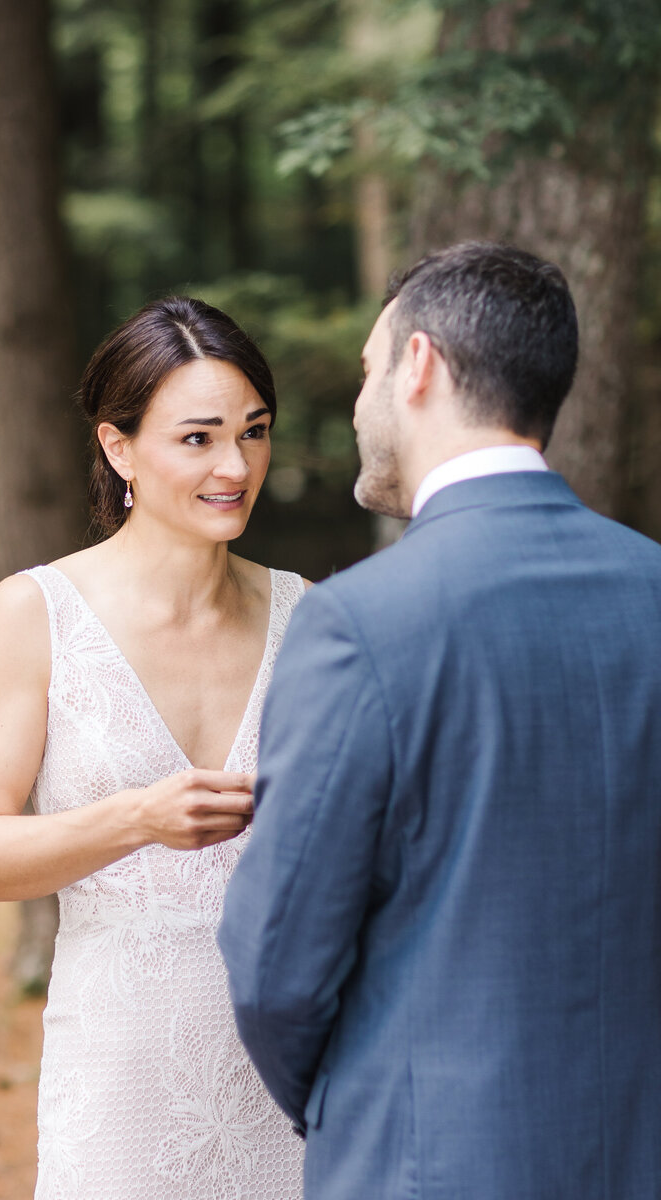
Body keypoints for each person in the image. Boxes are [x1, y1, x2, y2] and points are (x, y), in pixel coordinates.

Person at [218, 242, 661, 1199]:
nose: (357, 401)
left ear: (419, 366)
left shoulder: (358, 622)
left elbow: (277, 965)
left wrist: (364, 1101)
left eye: (370, 368)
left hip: (430, 1160)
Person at [0, 297, 306, 1200]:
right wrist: (138, 817)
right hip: (119, 1079)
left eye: (254, 432)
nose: (236, 466)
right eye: (199, 438)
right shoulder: (37, 614)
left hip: (289, 1080)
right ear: (118, 448)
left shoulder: (313, 617)